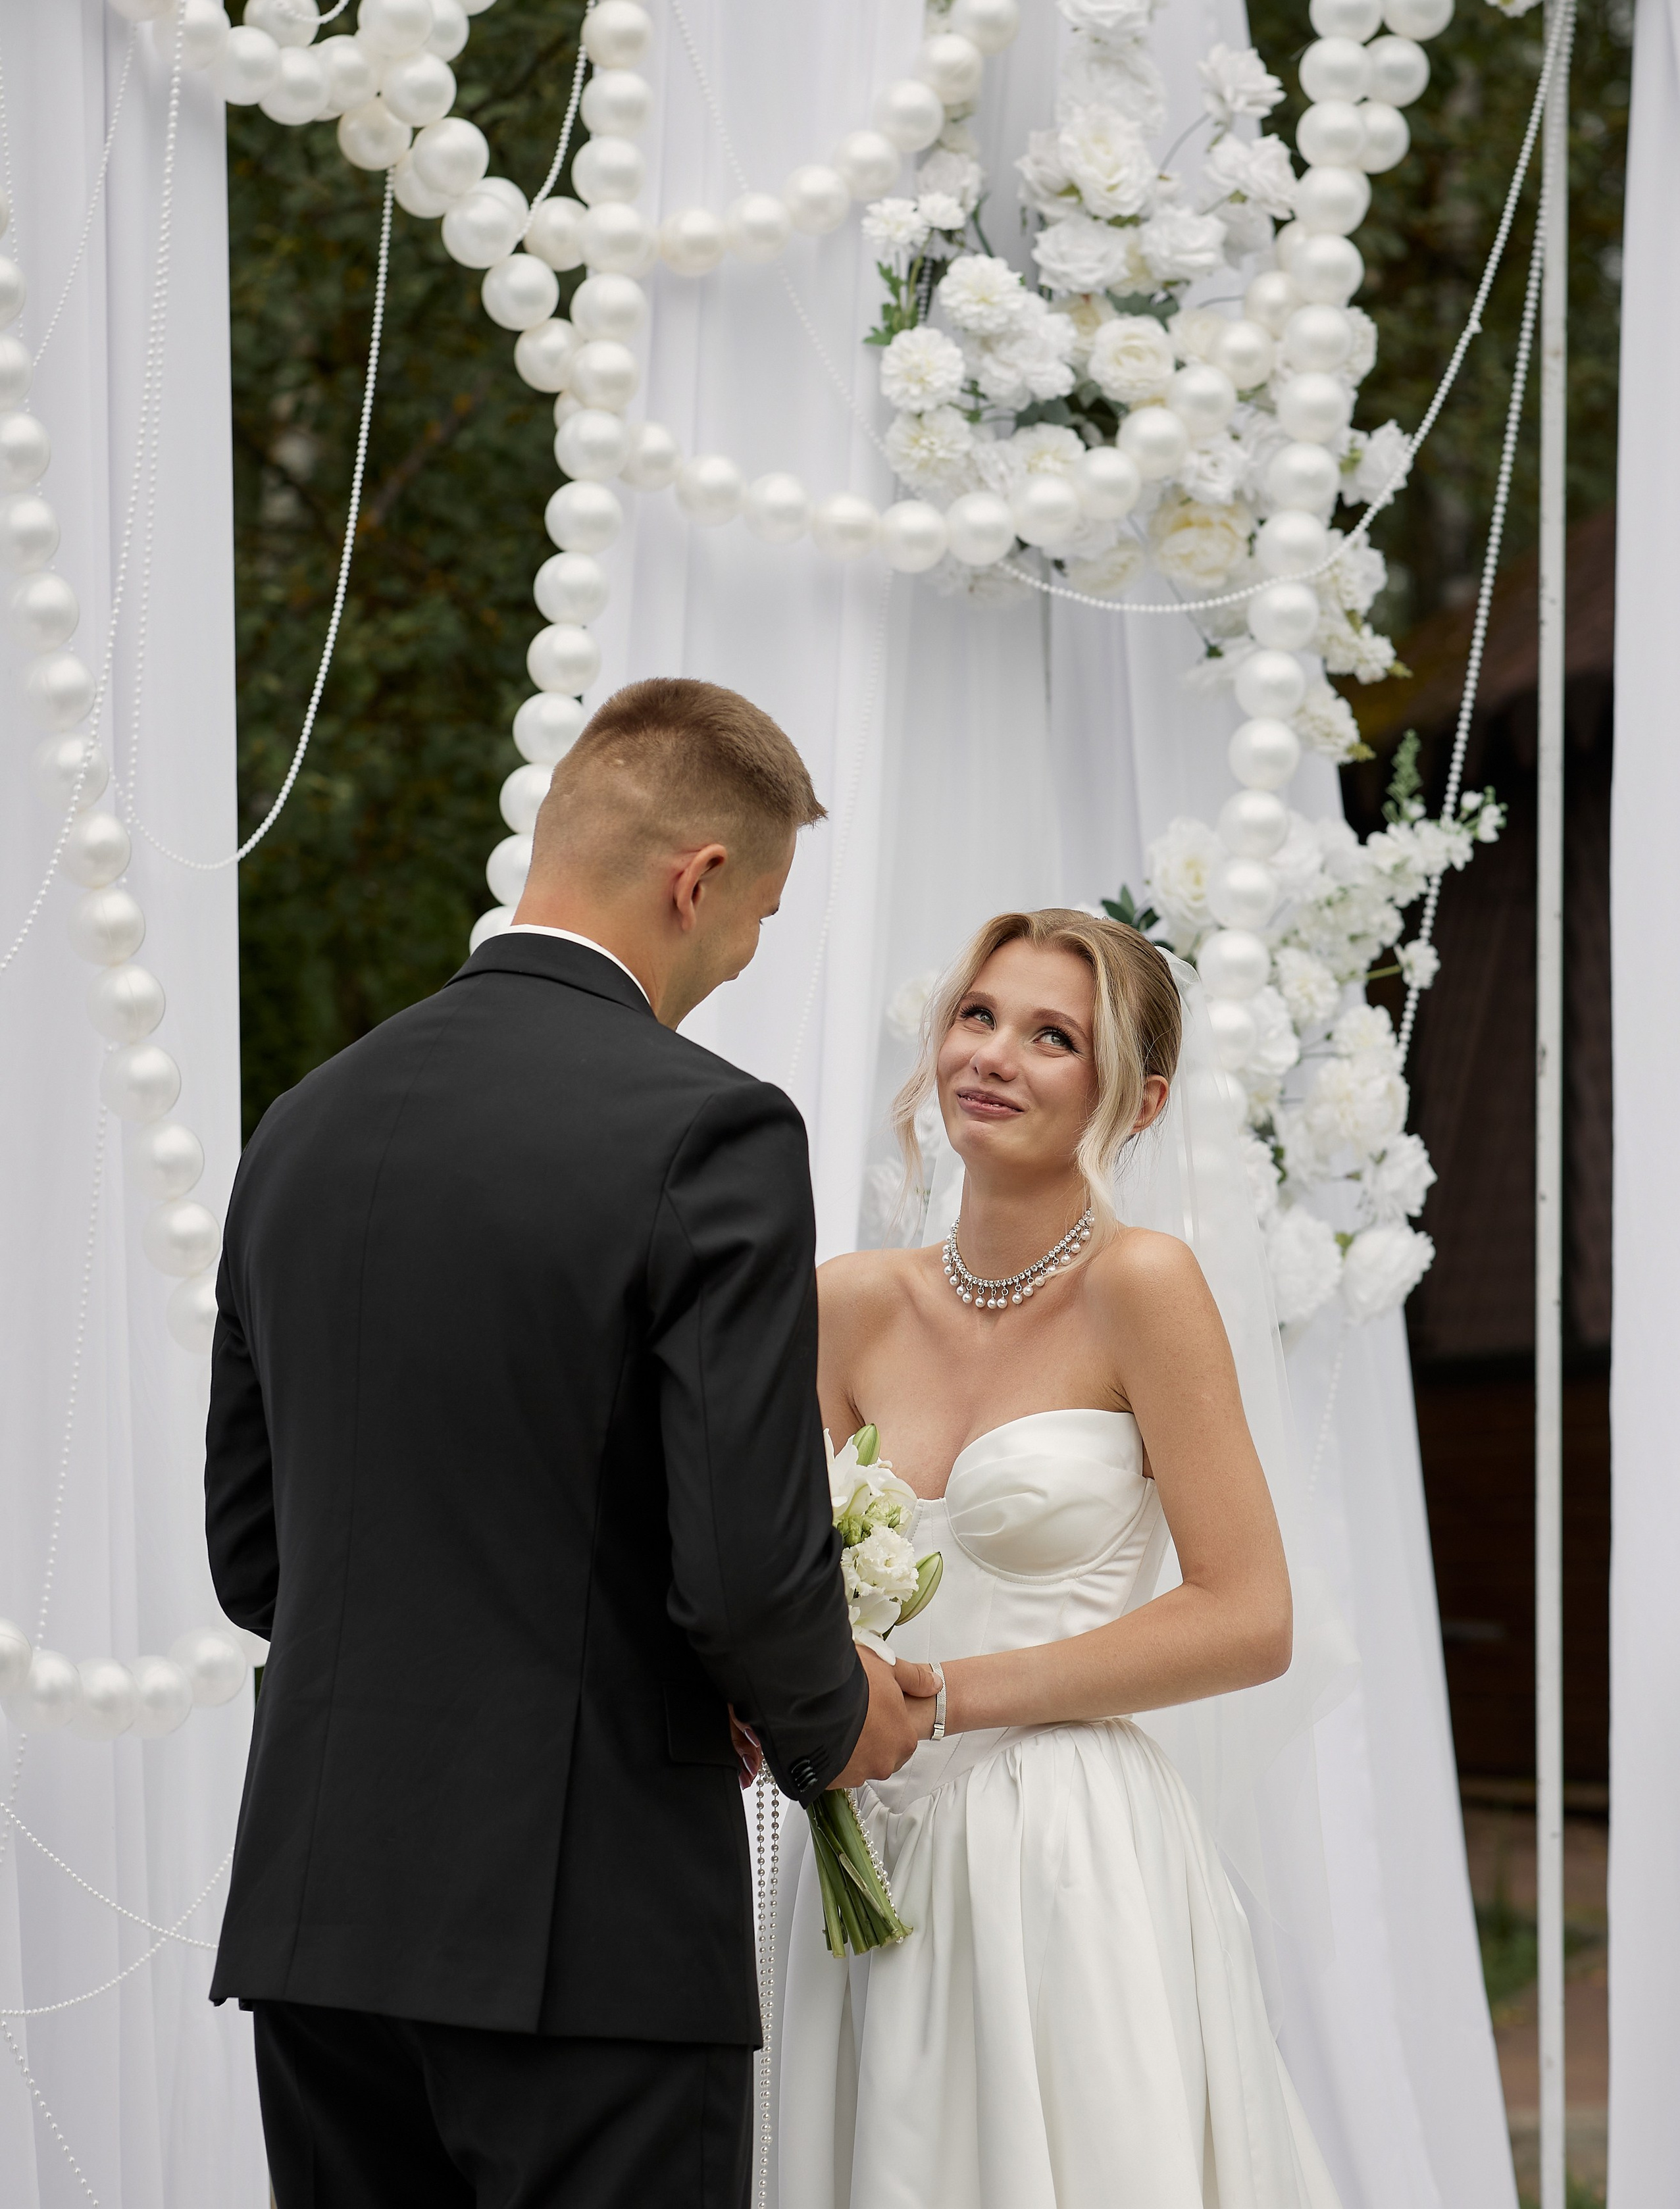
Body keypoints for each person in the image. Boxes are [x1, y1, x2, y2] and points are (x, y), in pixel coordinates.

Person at [203, 678, 928, 2209]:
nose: (743, 960)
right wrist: (826, 1714)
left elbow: (256, 1559)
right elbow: (737, 1568)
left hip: (320, 1919)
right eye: (762, 916)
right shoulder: (708, 1131)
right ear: (697, 878)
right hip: (581, 1932)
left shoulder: (301, 1125)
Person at [769, 909, 1342, 2208]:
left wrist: (948, 1697)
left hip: (1062, 1848)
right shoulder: (846, 1300)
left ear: (1132, 1103)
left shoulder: (1143, 1286)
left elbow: (1247, 1617)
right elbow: (781, 1561)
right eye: (978, 1016)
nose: (993, 1056)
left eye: (1050, 1038)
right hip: (865, 1831)